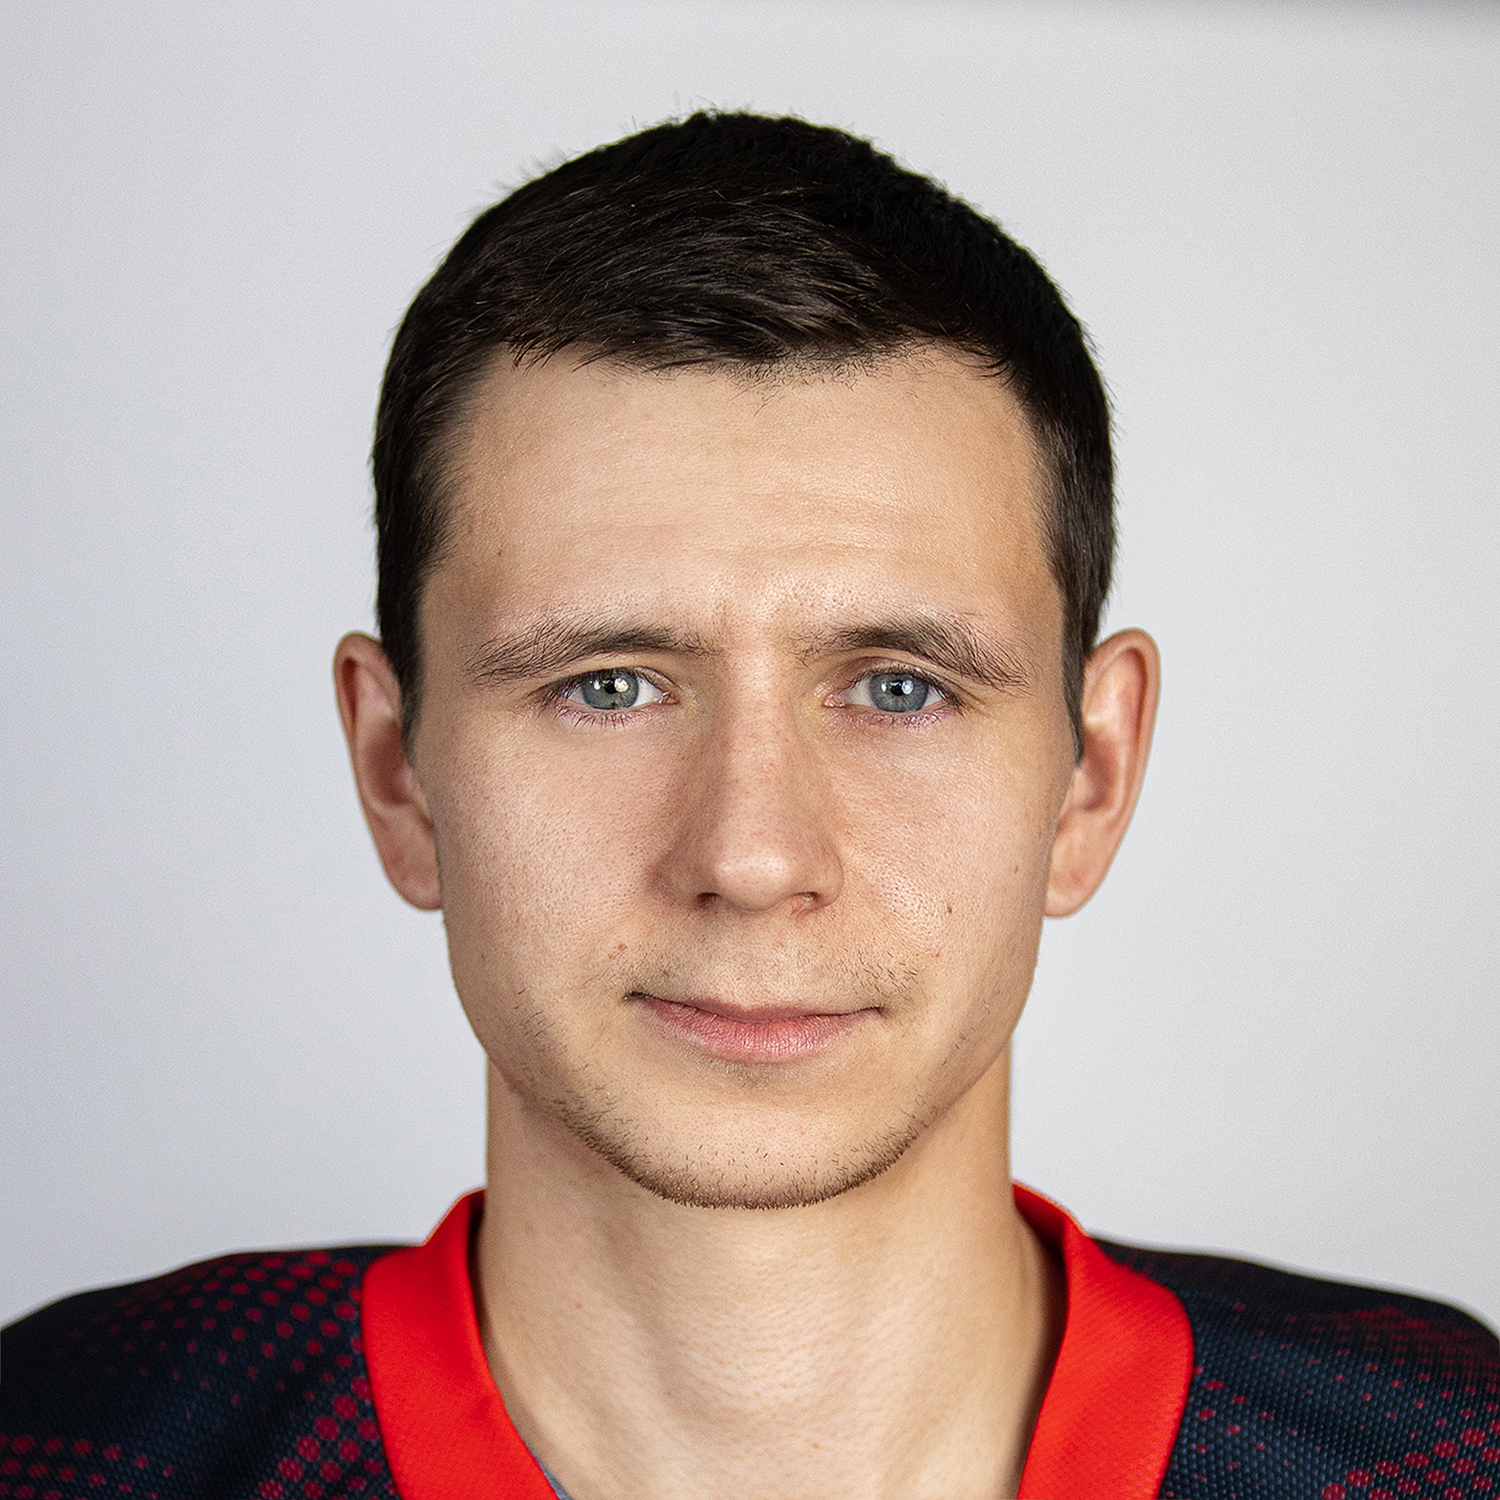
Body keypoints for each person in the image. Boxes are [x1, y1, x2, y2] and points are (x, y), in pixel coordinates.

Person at [2, 111, 1495, 1500]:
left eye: (899, 686)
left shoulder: (1444, 1455)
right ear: (399, 771)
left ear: (1090, 776)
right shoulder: (64, 1449)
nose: (753, 854)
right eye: (608, 685)